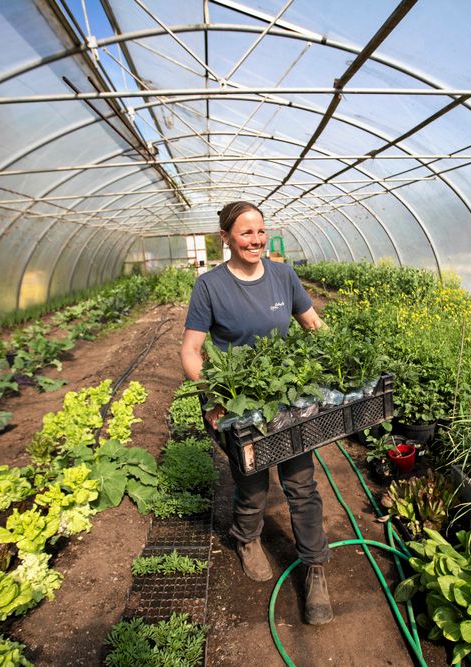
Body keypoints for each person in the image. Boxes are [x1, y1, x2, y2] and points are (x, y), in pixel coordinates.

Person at [180, 201, 334, 625]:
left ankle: (315, 567)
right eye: (246, 233)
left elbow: (315, 326)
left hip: (286, 401)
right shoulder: (210, 286)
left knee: (302, 484)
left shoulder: (284, 276)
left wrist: (343, 365)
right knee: (251, 483)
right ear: (226, 238)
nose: (256, 240)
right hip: (239, 404)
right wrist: (213, 397)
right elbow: (191, 351)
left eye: (261, 231)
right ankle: (247, 538)